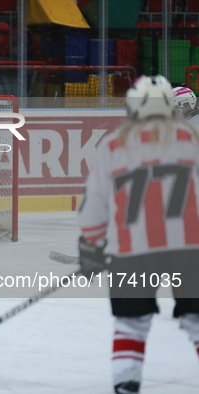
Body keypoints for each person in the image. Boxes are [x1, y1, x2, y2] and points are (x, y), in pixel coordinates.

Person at [78, 75, 199, 394]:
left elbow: (94, 209)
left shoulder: (113, 145)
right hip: (189, 248)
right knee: (196, 320)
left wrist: (90, 246)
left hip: (131, 253)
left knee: (131, 324)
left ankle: (126, 384)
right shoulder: (191, 140)